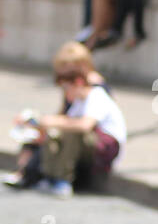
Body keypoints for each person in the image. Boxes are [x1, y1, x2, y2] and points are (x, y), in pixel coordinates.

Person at [5, 42, 127, 197]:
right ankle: (39, 175)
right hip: (88, 141)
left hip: (104, 145)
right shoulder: (78, 97)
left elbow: (83, 125)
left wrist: (51, 122)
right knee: (48, 134)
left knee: (67, 131)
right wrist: (37, 123)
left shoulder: (96, 93)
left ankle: (61, 180)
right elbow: (64, 117)